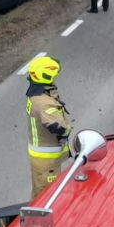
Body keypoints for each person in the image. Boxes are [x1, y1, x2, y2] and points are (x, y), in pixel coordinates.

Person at [25, 56, 73, 199]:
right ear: (46, 78)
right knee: (46, 199)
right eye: (53, 77)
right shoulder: (44, 104)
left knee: (39, 194)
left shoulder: (36, 95)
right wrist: (67, 130)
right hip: (47, 163)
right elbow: (57, 127)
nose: (55, 80)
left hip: (43, 160)